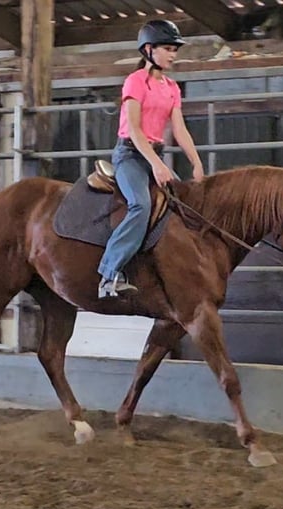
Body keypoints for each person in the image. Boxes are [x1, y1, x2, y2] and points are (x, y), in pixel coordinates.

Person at [97, 19, 204, 299]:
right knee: (140, 205)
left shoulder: (171, 87)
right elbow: (134, 128)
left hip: (153, 155)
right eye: (167, 48)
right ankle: (109, 273)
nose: (173, 54)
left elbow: (179, 129)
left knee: (185, 205)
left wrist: (196, 162)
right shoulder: (135, 82)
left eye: (174, 49)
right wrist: (157, 165)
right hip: (130, 154)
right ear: (148, 49)